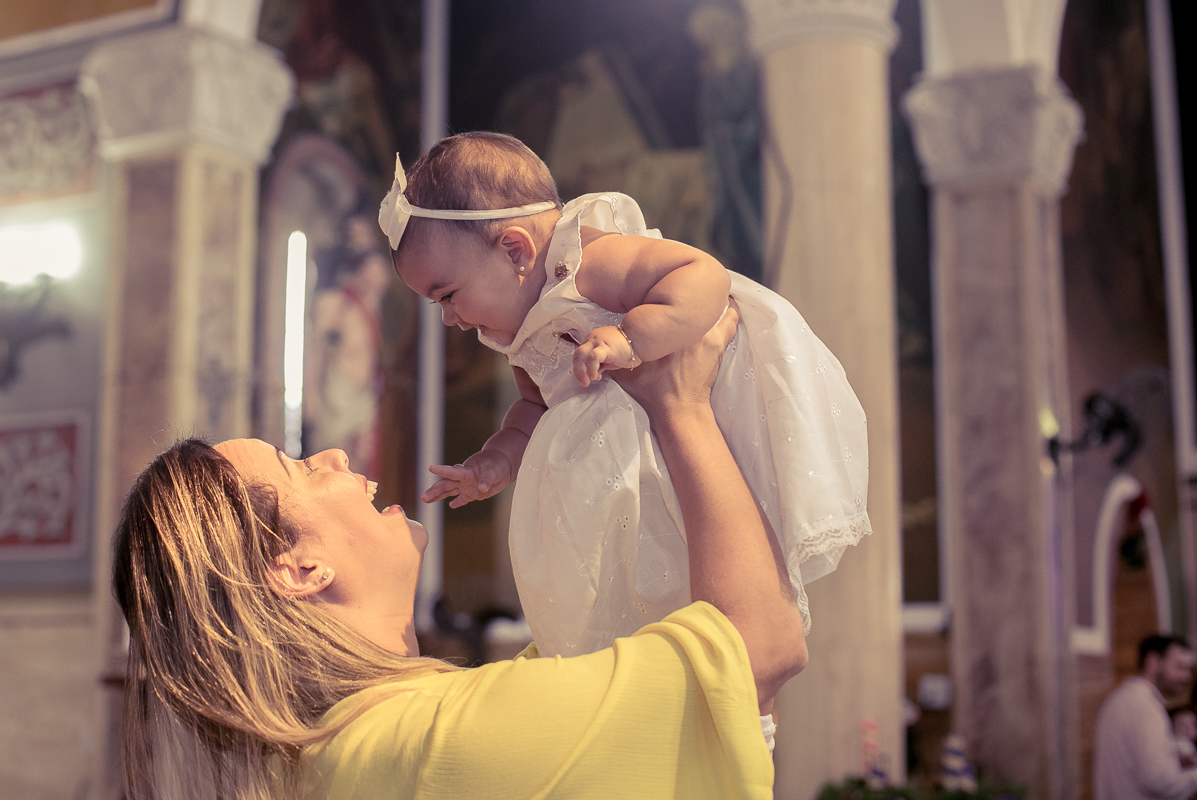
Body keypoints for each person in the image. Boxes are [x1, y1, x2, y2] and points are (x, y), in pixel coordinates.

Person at [111, 306, 807, 800]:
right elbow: (759, 650)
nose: (334, 455)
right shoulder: (438, 742)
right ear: (299, 570)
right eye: (300, 468)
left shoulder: (327, 760)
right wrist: (681, 406)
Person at [380, 131, 870, 658]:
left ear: (515, 250)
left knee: (730, 574)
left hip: (718, 400)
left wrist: (631, 337)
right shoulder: (520, 335)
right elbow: (534, 408)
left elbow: (701, 274)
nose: (449, 319)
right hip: (643, 458)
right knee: (670, 589)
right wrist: (496, 461)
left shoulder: (587, 263)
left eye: (447, 296)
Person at [1094, 634, 1197, 799]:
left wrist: (1177, 753)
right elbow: (1159, 781)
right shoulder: (1146, 707)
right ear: (1153, 662)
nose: (1187, 677)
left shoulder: (1123, 697)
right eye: (1179, 667)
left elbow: (1137, 761)